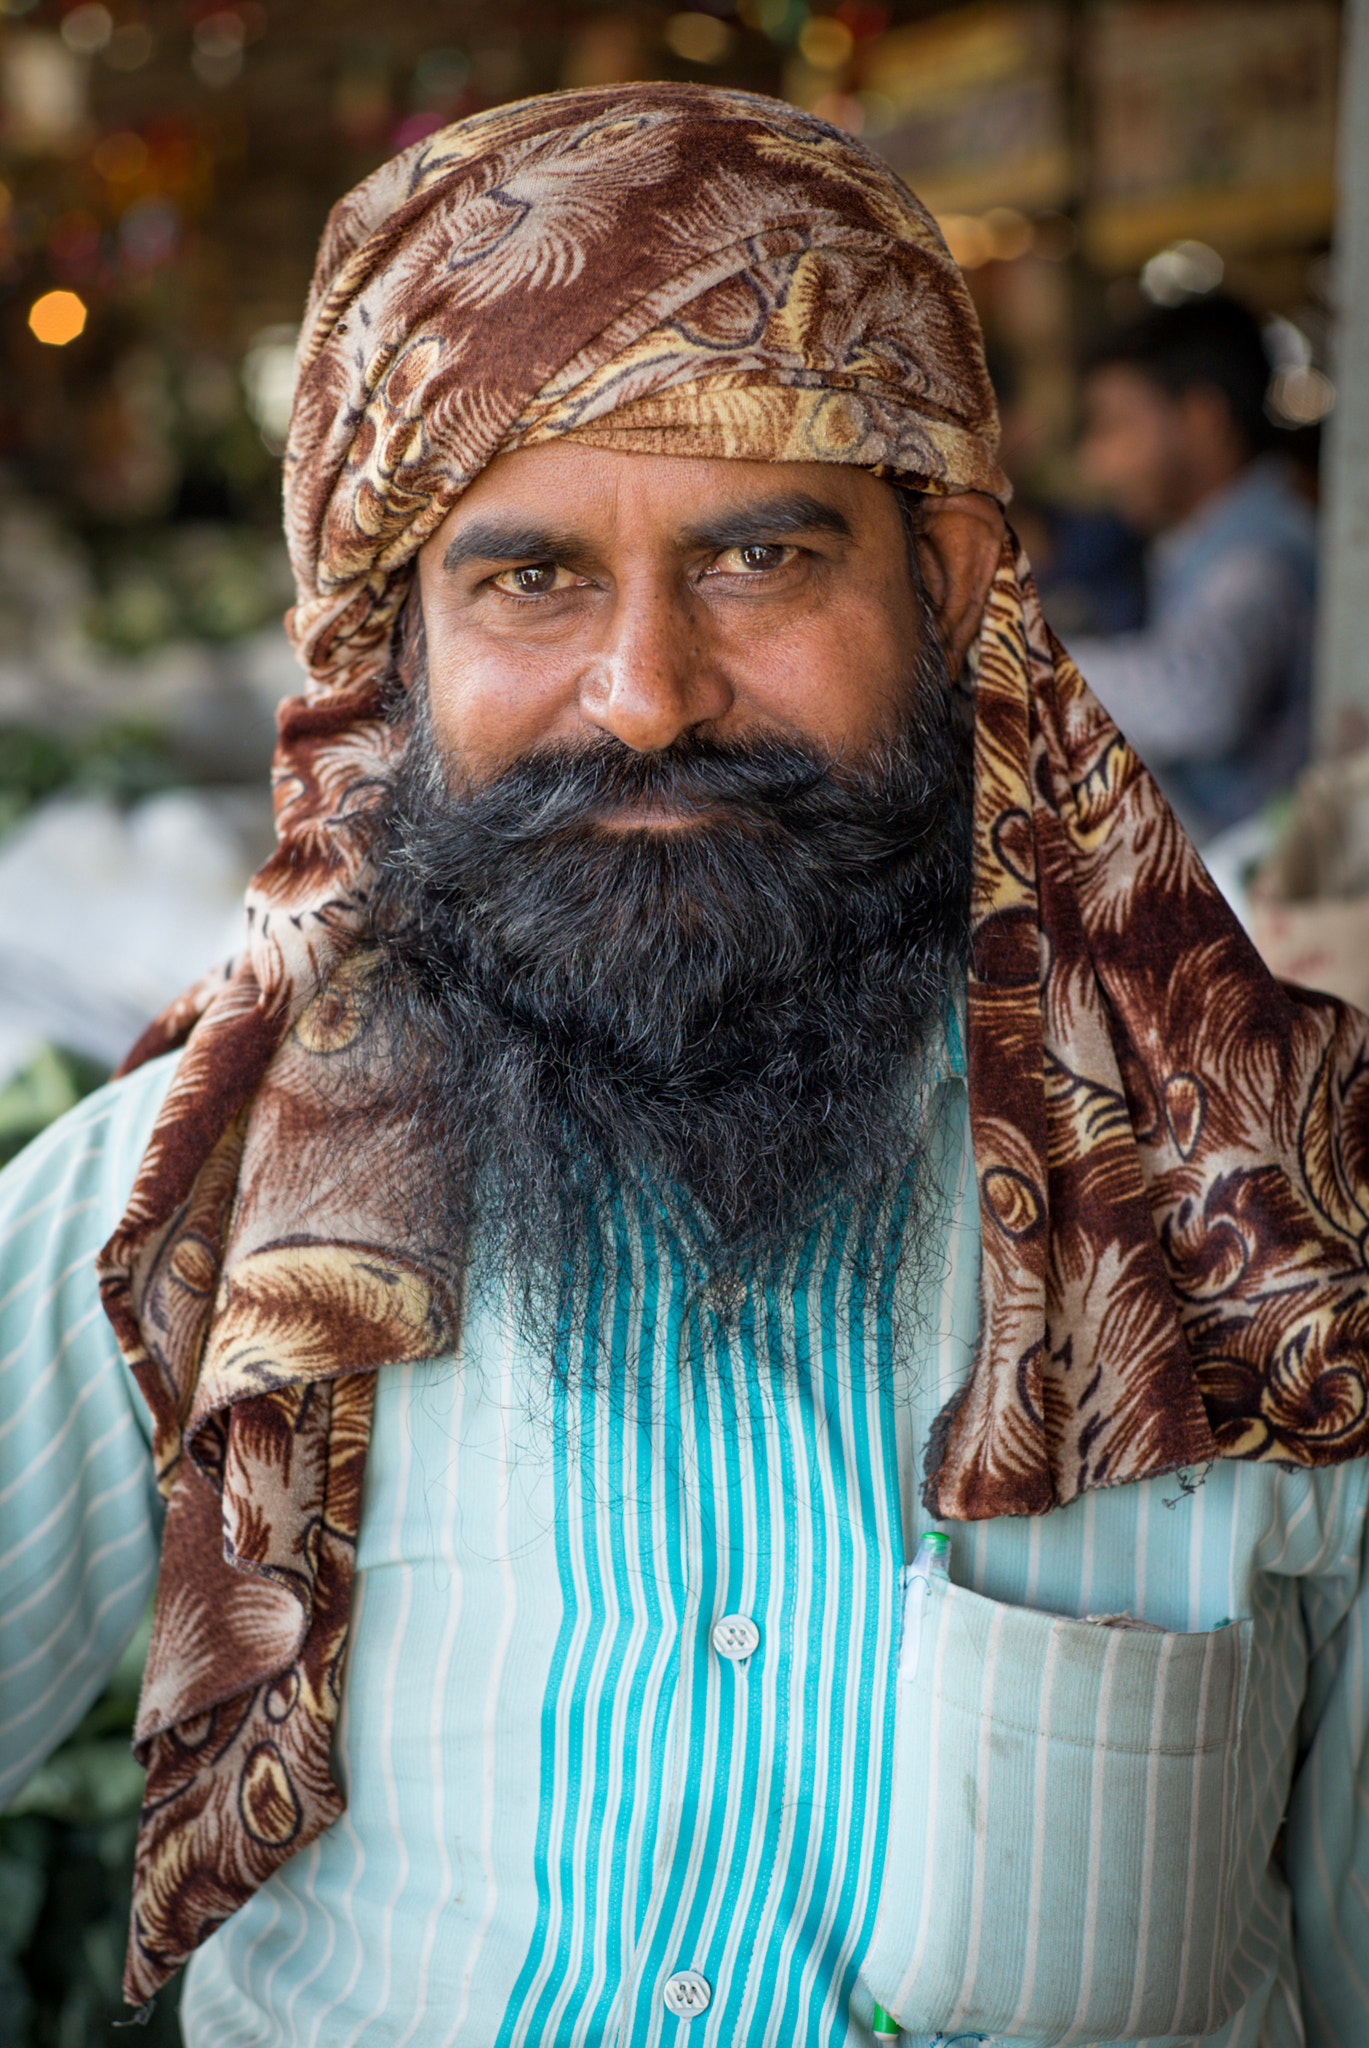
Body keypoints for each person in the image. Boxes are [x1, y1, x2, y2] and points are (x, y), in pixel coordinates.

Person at [1, 85, 1367, 2048]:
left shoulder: (1270, 1220)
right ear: (390, 644)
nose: (646, 695)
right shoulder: (196, 1197)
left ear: (952, 578)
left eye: (759, 558)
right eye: (530, 575)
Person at [1071, 292, 1318, 844]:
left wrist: (1019, 663)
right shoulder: (1206, 544)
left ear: (1202, 418)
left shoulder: (1265, 552)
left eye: (1116, 425)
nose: (1097, 460)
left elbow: (1203, 697)